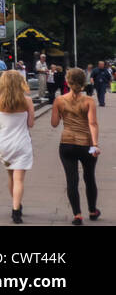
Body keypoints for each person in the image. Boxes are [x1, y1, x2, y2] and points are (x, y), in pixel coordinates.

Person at [51, 67, 101, 224]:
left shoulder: (59, 100)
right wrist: (95, 145)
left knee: (72, 180)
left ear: (68, 81)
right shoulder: (89, 101)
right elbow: (92, 123)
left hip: (67, 144)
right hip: (86, 144)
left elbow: (54, 124)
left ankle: (77, 214)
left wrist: (60, 113)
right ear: (83, 82)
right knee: (89, 178)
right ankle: (92, 211)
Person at [0, 69, 34, 223]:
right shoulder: (27, 101)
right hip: (22, 142)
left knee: (10, 176)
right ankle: (16, 210)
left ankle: (16, 204)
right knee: (19, 180)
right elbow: (31, 123)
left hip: (4, 143)